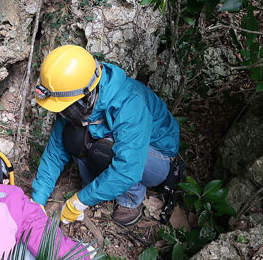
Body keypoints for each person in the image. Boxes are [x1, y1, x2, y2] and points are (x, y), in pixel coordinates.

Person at [30, 45, 181, 226]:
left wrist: (80, 201)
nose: (62, 114)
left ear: (86, 96)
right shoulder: (77, 96)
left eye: (65, 108)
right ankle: (100, 185)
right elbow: (55, 152)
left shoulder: (129, 103)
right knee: (72, 136)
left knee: (103, 150)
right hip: (123, 148)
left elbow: (128, 168)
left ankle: (130, 199)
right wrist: (37, 201)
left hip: (156, 158)